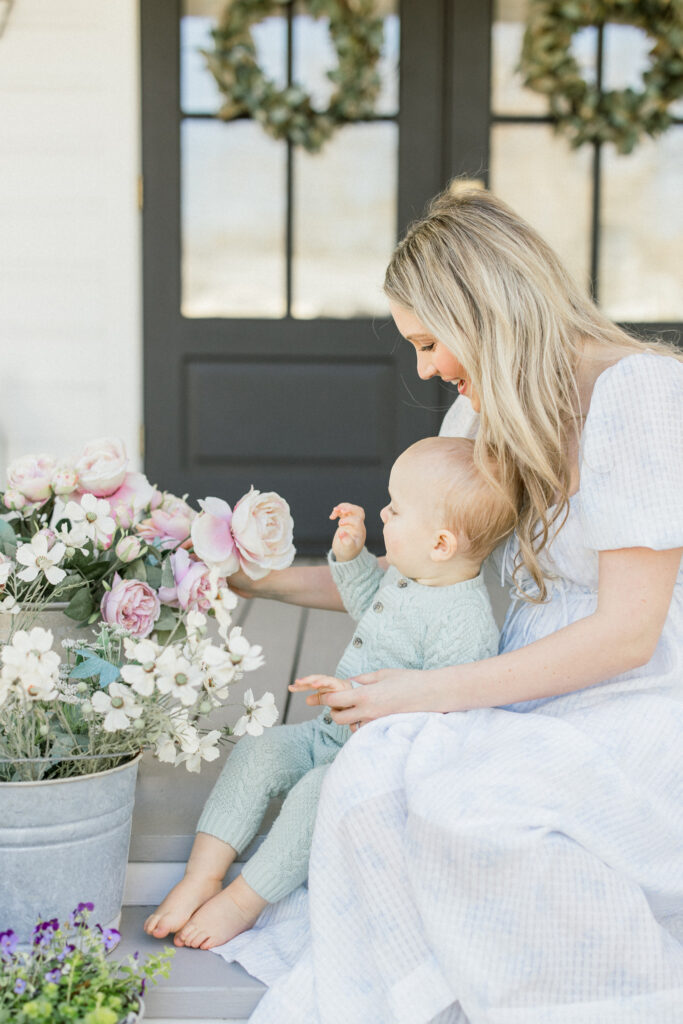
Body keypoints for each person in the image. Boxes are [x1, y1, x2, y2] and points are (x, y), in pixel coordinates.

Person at [209, 186, 683, 1022]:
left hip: (631, 690)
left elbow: (626, 636)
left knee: (474, 808)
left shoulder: (640, 394)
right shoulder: (484, 410)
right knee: (372, 777)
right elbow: (414, 572)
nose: (424, 368)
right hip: (503, 667)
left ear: (488, 311)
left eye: (429, 341)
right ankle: (421, 978)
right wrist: (256, 578)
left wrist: (420, 692)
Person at [144, 435, 515, 950]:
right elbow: (366, 601)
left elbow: (445, 715)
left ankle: (243, 900)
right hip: (328, 733)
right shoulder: (413, 576)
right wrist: (351, 556)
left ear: (441, 544)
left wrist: (360, 701)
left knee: (313, 796)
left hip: (373, 765)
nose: (383, 513)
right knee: (259, 751)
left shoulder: (464, 623)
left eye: (396, 509)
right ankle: (202, 875)